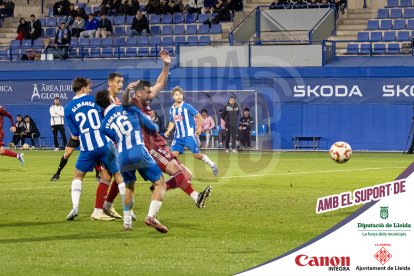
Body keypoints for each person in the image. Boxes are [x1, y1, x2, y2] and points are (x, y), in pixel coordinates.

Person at [96, 89, 168, 232]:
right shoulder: (127, 108)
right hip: (138, 150)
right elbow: (152, 127)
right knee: (160, 183)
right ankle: (151, 216)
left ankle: (127, 224)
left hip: (122, 157)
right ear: (111, 98)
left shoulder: (103, 126)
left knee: (129, 188)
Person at [64, 77, 126, 222]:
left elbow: (74, 135)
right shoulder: (94, 101)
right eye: (89, 87)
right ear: (84, 88)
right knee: (117, 174)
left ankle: (75, 207)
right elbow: (107, 116)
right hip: (105, 144)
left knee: (78, 177)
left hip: (87, 148)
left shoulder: (67, 108)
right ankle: (128, 210)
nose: (90, 89)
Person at [164, 86, 218, 176]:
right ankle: (178, 174)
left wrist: (199, 128)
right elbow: (172, 122)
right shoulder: (171, 110)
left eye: (180, 94)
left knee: (197, 155)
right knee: (172, 157)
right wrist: (168, 131)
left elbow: (199, 117)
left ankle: (211, 164)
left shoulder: (187, 107)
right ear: (173, 97)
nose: (179, 96)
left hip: (189, 135)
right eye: (177, 95)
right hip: (178, 137)